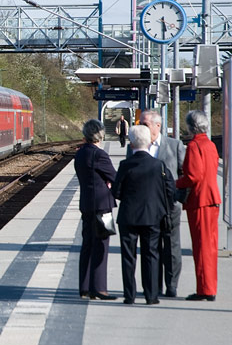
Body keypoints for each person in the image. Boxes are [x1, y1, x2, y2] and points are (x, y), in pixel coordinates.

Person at [112, 125, 173, 305]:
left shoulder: (125, 165)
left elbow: (116, 192)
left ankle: (129, 295)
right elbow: (169, 188)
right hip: (152, 217)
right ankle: (151, 295)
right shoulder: (158, 165)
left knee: (128, 257)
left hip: (128, 217)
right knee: (151, 255)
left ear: (131, 144)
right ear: (150, 142)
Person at [127, 110, 185, 297]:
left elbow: (184, 173)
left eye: (145, 124)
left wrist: (178, 198)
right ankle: (153, 286)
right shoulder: (134, 147)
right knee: (151, 249)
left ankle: (171, 285)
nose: (141, 127)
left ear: (157, 126)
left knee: (171, 247)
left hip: (169, 207)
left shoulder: (175, 146)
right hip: (147, 208)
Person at [177, 110, 221, 301]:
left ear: (190, 126)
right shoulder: (210, 145)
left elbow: (194, 176)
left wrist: (175, 182)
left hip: (200, 201)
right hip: (212, 199)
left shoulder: (194, 146)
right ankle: (209, 286)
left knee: (201, 246)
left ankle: (205, 289)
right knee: (210, 246)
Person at [73, 119, 117, 300]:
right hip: (102, 207)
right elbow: (114, 177)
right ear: (100, 134)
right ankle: (99, 288)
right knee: (101, 246)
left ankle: (84, 287)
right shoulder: (100, 155)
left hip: (86, 205)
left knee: (87, 245)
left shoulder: (80, 154)